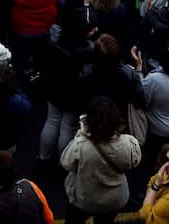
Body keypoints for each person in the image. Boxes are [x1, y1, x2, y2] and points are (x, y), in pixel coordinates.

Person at [61, 96, 142, 224]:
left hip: (85, 199)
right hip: (114, 200)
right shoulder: (128, 143)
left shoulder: (81, 145)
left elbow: (66, 163)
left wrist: (80, 134)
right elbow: (135, 162)